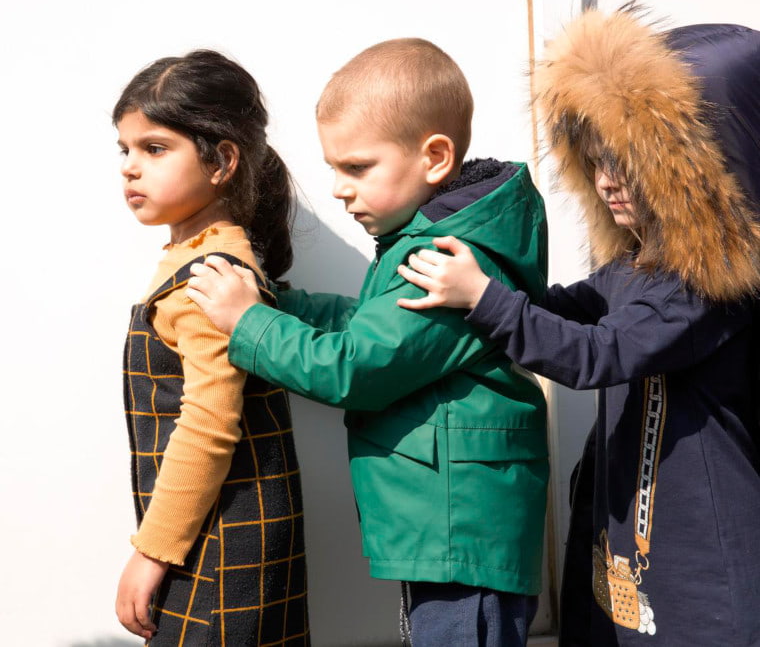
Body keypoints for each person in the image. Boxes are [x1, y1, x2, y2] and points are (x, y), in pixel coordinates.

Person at [396, 9, 760, 646]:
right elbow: (575, 305)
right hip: (639, 534)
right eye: (593, 161)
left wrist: (484, 299)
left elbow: (598, 353)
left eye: (628, 163)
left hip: (703, 548)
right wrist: (493, 282)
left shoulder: (709, 286)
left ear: (698, 168)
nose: (606, 183)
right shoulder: (637, 261)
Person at [187, 38, 549, 646]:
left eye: (356, 168)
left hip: (460, 533)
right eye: (333, 168)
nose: (337, 188)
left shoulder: (447, 256)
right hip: (446, 524)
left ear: (434, 158)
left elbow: (355, 367)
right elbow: (373, 325)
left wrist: (248, 322)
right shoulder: (434, 236)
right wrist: (281, 304)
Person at [112, 49, 309, 646]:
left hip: (223, 542)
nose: (130, 168)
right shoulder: (199, 257)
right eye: (124, 149)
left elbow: (207, 425)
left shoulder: (209, 278)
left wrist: (152, 553)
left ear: (222, 160)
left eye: (154, 148)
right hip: (213, 531)